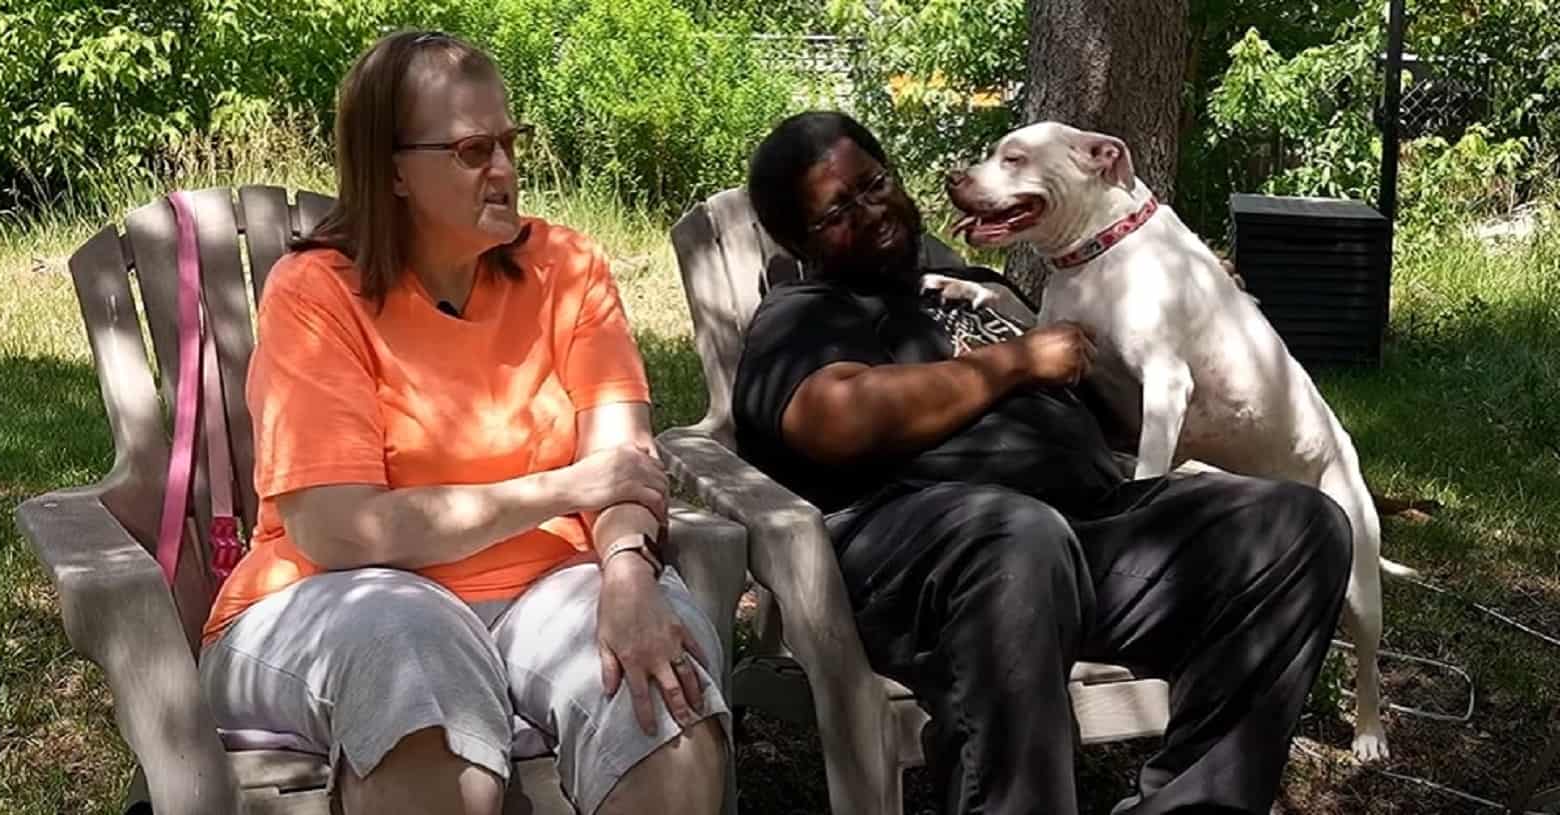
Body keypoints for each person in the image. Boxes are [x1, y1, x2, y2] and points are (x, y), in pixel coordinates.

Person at [733, 110, 1353, 815]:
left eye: (875, 184)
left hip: (1082, 537)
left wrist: (1201, 318)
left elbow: (1120, 401)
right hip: (925, 561)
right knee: (1018, 536)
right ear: (797, 240)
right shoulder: (805, 311)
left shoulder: (968, 286)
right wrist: (1017, 361)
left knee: (1298, 528)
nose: (871, 212)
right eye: (838, 210)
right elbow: (835, 416)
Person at [197, 31, 728, 815]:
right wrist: (563, 487)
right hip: (334, 594)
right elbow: (340, 530)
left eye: (509, 142)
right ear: (393, 172)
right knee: (415, 672)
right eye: (473, 150)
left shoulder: (567, 269)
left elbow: (623, 464)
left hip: (551, 585)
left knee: (660, 693)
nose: (505, 169)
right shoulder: (316, 295)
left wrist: (626, 568)